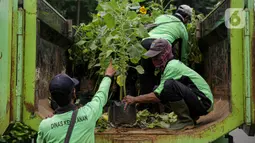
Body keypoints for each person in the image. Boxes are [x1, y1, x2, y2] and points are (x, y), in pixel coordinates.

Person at [124, 39, 213, 130]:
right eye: (152, 57)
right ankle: (190, 118)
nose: (154, 60)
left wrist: (135, 99)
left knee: (168, 86)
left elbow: (156, 96)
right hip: (199, 100)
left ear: (165, 54)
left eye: (156, 56)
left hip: (204, 103)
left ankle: (185, 121)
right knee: (160, 88)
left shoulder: (172, 66)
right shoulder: (167, 66)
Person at [37, 61, 116, 143]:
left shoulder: (45, 126)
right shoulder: (89, 113)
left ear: (52, 98)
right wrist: (108, 75)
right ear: (74, 93)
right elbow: (101, 96)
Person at [126, 5, 193, 100]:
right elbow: (183, 55)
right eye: (188, 20)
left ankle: (144, 107)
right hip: (160, 45)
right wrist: (184, 69)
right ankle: (160, 102)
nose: (187, 22)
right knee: (165, 74)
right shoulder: (183, 29)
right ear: (186, 17)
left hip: (144, 43)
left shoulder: (162, 17)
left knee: (146, 74)